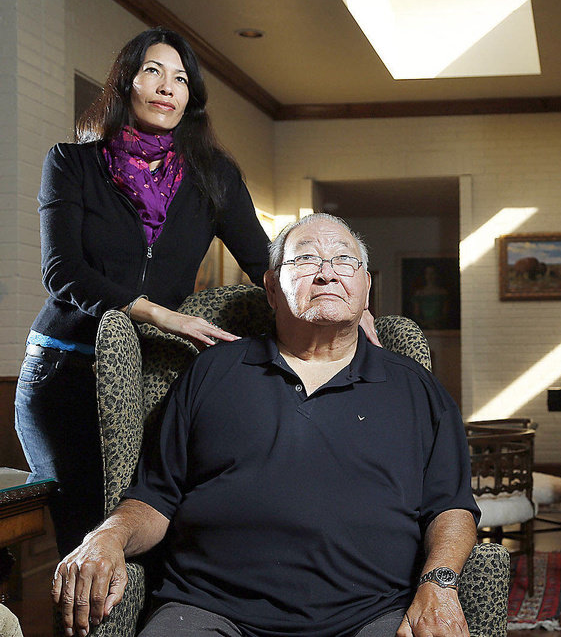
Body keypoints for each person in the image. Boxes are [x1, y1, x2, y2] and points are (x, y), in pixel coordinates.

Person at [52, 213, 479, 637]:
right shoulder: (211, 372)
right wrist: (109, 535)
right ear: (272, 289)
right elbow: (154, 498)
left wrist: (438, 583)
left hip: (373, 615)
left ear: (366, 287)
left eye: (345, 261)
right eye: (306, 260)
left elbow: (451, 506)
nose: (327, 275)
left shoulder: (416, 388)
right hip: (209, 610)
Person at [14, 28, 274, 558]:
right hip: (64, 374)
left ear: (191, 99)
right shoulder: (71, 164)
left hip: (148, 375)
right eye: (153, 71)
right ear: (126, 82)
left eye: (181, 79)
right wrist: (162, 316)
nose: (166, 87)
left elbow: (264, 263)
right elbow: (62, 271)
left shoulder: (214, 177)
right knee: (83, 536)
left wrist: (336, 298)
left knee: (145, 531)